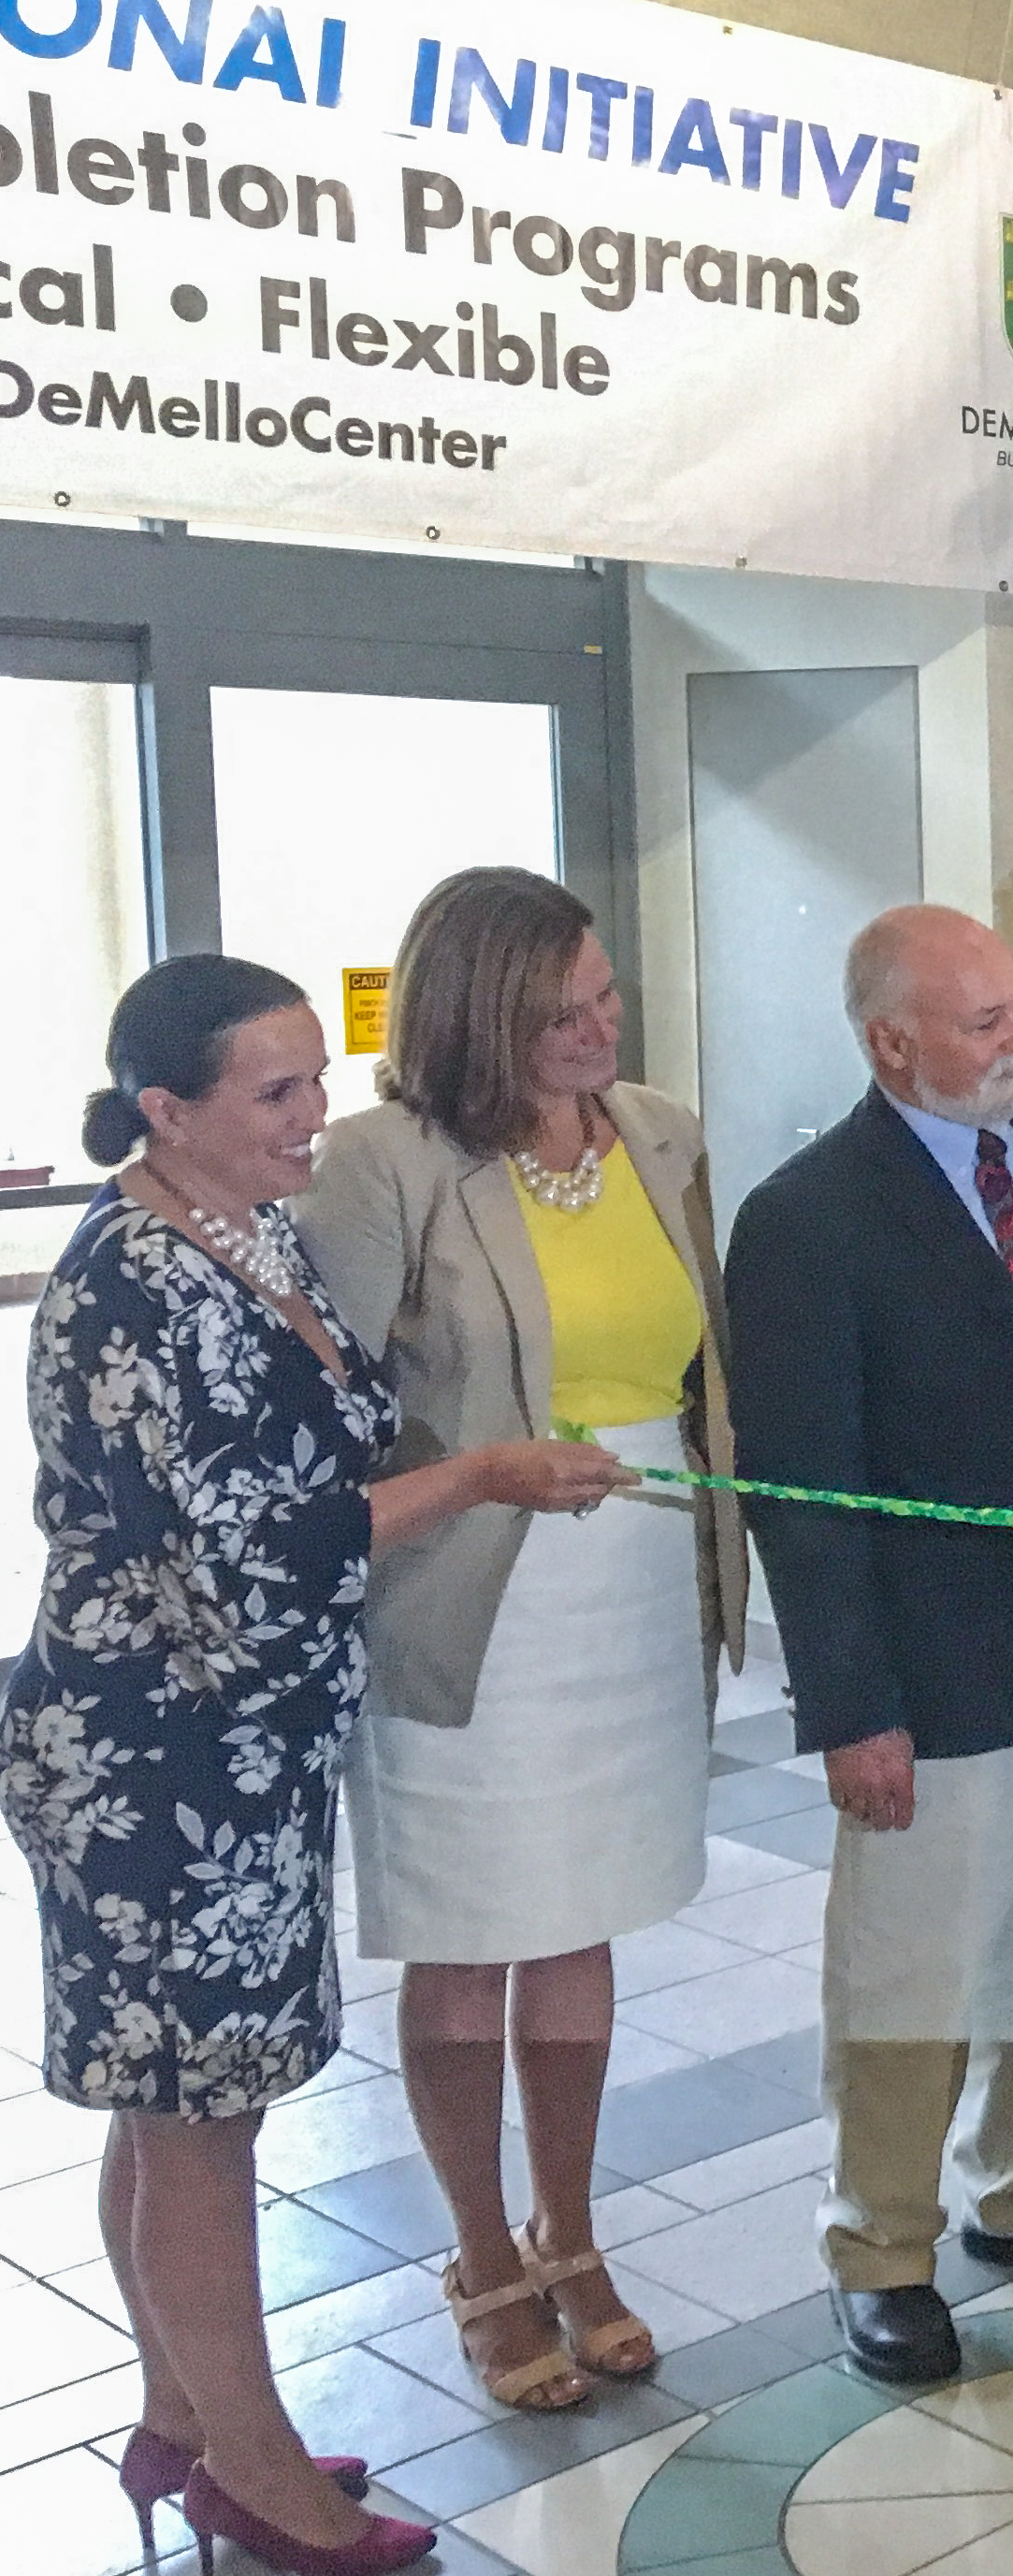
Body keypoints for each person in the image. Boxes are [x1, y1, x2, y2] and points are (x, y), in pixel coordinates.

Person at [4, 957, 623, 2576]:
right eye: (275, 1093)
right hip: (153, 1759)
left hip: (250, 1741)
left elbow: (332, 1438)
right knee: (201, 2120)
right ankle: (258, 2473)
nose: (315, 1117)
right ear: (165, 1111)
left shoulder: (251, 1228)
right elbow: (247, 1547)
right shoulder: (132, 1276)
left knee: (173, 2113)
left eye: (314, 1079)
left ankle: (181, 2413)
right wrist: (487, 1472)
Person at [290, 870, 745, 2415]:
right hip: (466, 1595)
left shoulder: (659, 1131)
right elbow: (328, 1424)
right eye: (563, 1015)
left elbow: (702, 1361)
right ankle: (481, 2254)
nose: (599, 1031)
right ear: (477, 1015)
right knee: (468, 1937)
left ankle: (573, 2227)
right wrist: (484, 1468)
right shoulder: (380, 1165)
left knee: (579, 1919)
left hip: (625, 1586)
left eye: (608, 998)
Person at [727, 906, 1013, 2387]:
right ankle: (882, 2248)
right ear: (889, 1042)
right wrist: (850, 1705)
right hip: (929, 1676)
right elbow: (799, 1495)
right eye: (984, 1021)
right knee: (908, 1976)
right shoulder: (807, 1216)